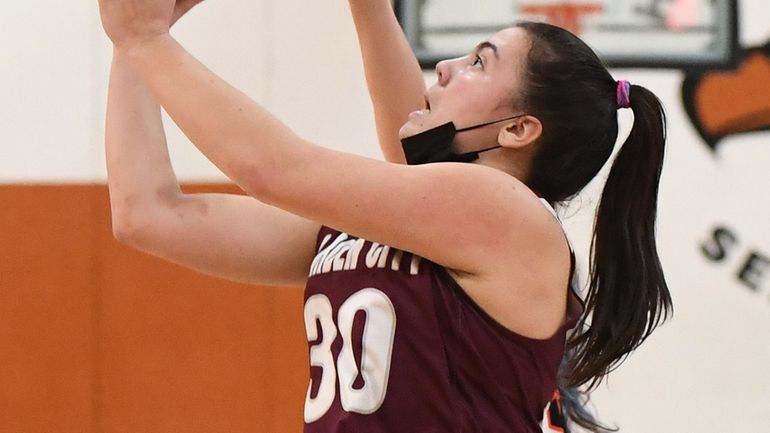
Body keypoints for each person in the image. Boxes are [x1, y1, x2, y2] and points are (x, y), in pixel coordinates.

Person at [98, 0, 672, 432]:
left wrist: (145, 37)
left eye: (478, 63)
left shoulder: (508, 214)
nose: (445, 67)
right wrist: (134, 46)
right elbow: (148, 213)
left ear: (519, 129)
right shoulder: (413, 225)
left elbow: (273, 170)